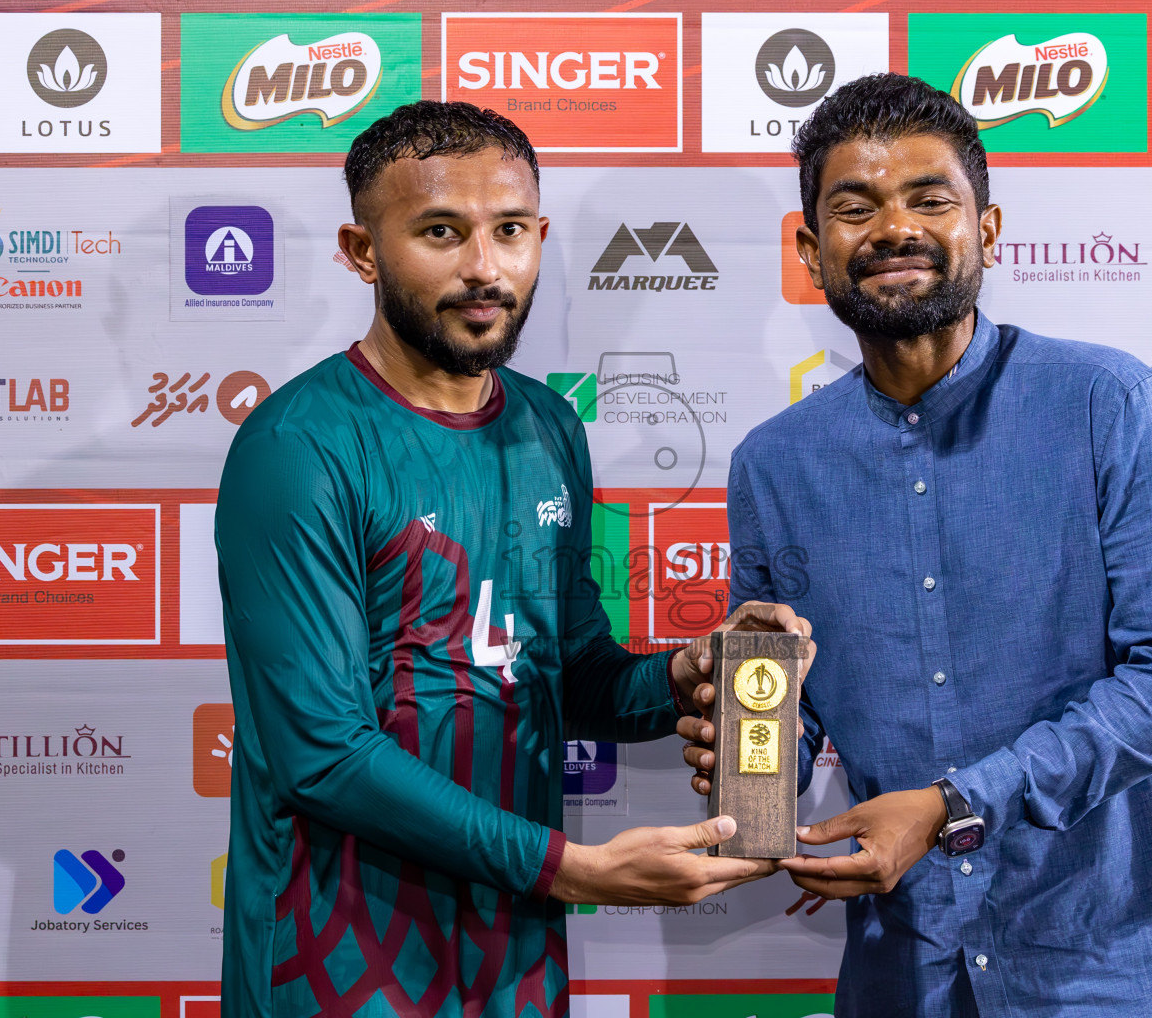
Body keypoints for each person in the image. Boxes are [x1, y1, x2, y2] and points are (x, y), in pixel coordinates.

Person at [679, 74, 1152, 1017]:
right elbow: (783, 747)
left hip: (1119, 961)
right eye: (854, 207)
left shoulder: (1105, 404)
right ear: (809, 248)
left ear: (987, 230)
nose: (892, 230)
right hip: (911, 968)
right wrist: (751, 758)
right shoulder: (774, 465)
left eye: (930, 199)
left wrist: (951, 804)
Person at [214, 100, 812, 1018]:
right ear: (362, 249)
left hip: (513, 961)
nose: (484, 269)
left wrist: (693, 672)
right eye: (441, 233)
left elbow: (570, 675)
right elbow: (321, 755)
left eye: (509, 232)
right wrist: (575, 870)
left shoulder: (549, 425)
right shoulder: (299, 445)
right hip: (337, 961)